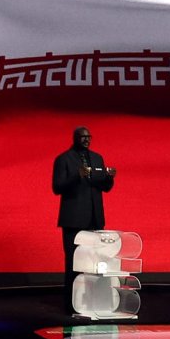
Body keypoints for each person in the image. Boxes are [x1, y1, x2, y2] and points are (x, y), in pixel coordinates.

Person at [53, 125, 116, 310]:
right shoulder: (64, 159)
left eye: (89, 137)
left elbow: (104, 187)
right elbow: (57, 187)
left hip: (94, 219)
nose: (86, 140)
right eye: (83, 137)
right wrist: (76, 176)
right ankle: (71, 305)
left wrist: (109, 178)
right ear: (75, 138)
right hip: (73, 220)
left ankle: (92, 302)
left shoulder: (97, 158)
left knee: (94, 262)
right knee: (74, 262)